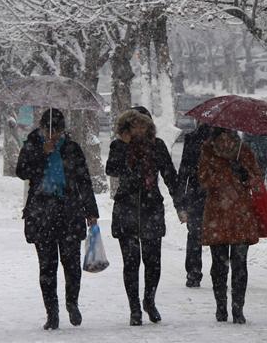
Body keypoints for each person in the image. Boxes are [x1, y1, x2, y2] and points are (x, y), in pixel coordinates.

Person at [16, 108, 99, 330]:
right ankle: (52, 313)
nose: (53, 135)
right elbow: (21, 171)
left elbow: (84, 181)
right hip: (42, 212)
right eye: (49, 130)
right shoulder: (32, 145)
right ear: (42, 128)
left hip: (69, 211)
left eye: (58, 130)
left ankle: (72, 303)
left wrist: (91, 211)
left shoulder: (72, 149)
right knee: (47, 266)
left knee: (71, 264)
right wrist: (41, 153)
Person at [105, 106, 178, 326]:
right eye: (134, 124)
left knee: (153, 261)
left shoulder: (157, 146)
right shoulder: (119, 145)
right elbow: (111, 169)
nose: (139, 128)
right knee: (131, 262)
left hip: (151, 207)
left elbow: (169, 175)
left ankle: (149, 300)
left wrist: (181, 203)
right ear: (127, 126)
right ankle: (134, 307)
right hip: (126, 207)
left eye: (143, 123)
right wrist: (125, 149)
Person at [198, 127, 263, 324]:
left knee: (239, 265)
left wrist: (243, 173)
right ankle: (221, 305)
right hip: (218, 214)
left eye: (229, 137)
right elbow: (203, 180)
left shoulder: (243, 151)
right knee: (220, 265)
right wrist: (224, 175)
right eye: (222, 138)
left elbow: (256, 178)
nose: (226, 142)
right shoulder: (208, 152)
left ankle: (237, 307)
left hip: (239, 215)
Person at [176, 122, 212, 287]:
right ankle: (219, 270)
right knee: (217, 234)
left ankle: (193, 272)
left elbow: (184, 170)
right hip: (217, 193)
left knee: (195, 234)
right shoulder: (225, 139)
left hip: (195, 192)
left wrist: (181, 199)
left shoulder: (192, 139)